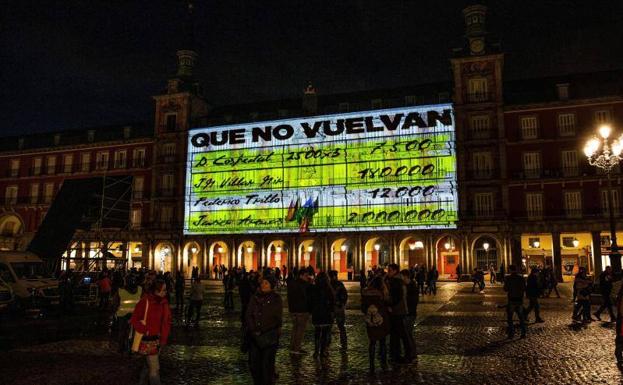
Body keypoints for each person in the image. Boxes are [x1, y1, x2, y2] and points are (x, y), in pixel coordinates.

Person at [130, 280, 172, 385]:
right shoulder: (145, 301)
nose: (165, 292)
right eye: (164, 290)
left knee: (147, 366)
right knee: (154, 369)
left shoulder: (164, 303)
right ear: (156, 291)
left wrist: (163, 340)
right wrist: (145, 330)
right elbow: (134, 319)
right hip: (146, 340)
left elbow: (166, 322)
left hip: (157, 341)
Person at [245, 275, 283, 385]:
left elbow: (277, 318)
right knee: (254, 365)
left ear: (271, 285)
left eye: (266, 283)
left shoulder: (276, 298)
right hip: (255, 337)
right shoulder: (254, 297)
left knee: (267, 366)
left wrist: (264, 329)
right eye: (262, 283)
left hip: (269, 336)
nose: (263, 285)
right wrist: (253, 329)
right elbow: (248, 314)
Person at [362, 276, 390, 373]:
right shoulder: (382, 294)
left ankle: (371, 364)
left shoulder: (365, 293)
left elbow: (363, 308)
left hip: (370, 320)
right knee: (382, 342)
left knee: (372, 342)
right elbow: (386, 305)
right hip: (381, 320)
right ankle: (384, 363)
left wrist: (369, 312)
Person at [387, 263, 413, 363]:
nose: (388, 272)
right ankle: (397, 354)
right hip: (399, 310)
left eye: (389, 270)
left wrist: (390, 305)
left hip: (397, 311)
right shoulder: (398, 281)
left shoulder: (396, 281)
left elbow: (396, 297)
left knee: (401, 333)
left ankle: (406, 354)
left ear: (394, 271)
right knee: (396, 334)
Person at [309, 271, 335, 358]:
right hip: (326, 313)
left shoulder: (313, 288)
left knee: (317, 333)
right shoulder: (329, 289)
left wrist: (311, 310)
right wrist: (332, 311)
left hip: (316, 313)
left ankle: (316, 351)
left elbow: (311, 301)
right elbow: (332, 302)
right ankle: (323, 351)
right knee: (324, 333)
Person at [112, 275, 141, 353]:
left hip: (122, 315)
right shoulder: (140, 289)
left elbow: (115, 303)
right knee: (135, 333)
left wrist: (114, 311)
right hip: (135, 315)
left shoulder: (120, 291)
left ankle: (121, 348)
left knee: (122, 332)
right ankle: (134, 348)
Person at [287, 269, 311, 355]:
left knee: (295, 329)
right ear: (301, 275)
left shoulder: (291, 283)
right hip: (302, 310)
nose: (307, 277)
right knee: (300, 331)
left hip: (293, 310)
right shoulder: (305, 285)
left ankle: (292, 347)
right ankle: (297, 348)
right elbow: (307, 297)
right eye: (306, 275)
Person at [503, 265, 526, 339]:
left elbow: (505, 289)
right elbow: (524, 288)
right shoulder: (521, 278)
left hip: (512, 300)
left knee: (510, 317)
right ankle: (523, 333)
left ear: (510, 270)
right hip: (519, 300)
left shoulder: (508, 278)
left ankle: (511, 333)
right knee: (521, 317)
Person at [329, 270, 348, 349]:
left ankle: (327, 344)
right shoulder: (340, 284)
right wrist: (342, 304)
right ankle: (344, 344)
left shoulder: (329, 285)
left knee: (329, 327)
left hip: (331, 309)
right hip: (339, 308)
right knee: (341, 327)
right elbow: (345, 295)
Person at [402, 269, 418, 357]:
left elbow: (413, 301)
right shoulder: (407, 285)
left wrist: (407, 310)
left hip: (410, 314)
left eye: (402, 277)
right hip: (408, 313)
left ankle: (411, 353)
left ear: (405, 276)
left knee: (408, 334)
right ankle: (410, 352)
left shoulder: (412, 286)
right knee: (407, 334)